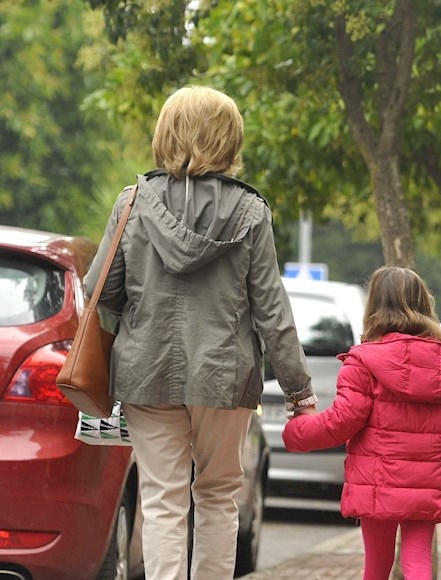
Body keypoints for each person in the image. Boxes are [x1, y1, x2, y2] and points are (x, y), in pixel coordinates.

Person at [84, 86, 316, 580]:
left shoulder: (134, 203)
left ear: (166, 134)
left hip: (147, 370)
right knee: (217, 493)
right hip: (224, 374)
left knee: (163, 498)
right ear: (229, 139)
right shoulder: (252, 213)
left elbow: (100, 291)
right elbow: (271, 309)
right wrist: (298, 388)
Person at [283, 266, 441, 580]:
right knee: (418, 564)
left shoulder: (363, 362)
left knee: (376, 567)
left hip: (377, 483)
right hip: (426, 484)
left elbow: (340, 422)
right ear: (424, 306)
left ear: (373, 306)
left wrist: (297, 430)